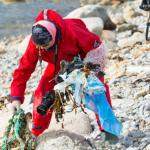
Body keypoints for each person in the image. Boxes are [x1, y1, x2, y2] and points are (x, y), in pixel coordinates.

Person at [10, 9, 112, 137]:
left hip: (85, 60)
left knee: (96, 90)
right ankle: (37, 132)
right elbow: (24, 69)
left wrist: (86, 70)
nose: (42, 49)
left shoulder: (73, 32)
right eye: (39, 47)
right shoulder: (37, 44)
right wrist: (16, 98)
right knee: (43, 93)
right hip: (58, 65)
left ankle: (108, 130)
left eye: (46, 45)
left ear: (54, 36)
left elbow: (97, 50)